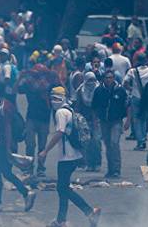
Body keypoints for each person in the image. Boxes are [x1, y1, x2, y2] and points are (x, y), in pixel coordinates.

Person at [39, 86, 101, 227]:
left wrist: (45, 151)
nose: (53, 101)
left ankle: (89, 211)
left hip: (67, 157)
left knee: (63, 189)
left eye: (56, 98)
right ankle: (61, 220)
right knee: (63, 188)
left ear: (62, 98)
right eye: (52, 98)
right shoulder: (69, 109)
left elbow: (59, 133)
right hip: (73, 155)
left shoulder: (61, 112)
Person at [0, 82, 37, 212]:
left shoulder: (3, 107)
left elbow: (7, 128)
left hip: (5, 145)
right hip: (8, 143)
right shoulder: (9, 104)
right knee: (6, 173)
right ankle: (26, 193)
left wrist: (7, 148)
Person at [17, 63, 57, 177]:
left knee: (42, 145)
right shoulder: (29, 83)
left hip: (42, 118)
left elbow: (61, 92)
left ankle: (40, 167)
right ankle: (30, 167)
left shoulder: (48, 84)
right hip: (33, 117)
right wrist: (21, 77)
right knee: (30, 144)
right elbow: (16, 90)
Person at [92, 70, 129, 178]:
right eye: (107, 78)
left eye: (111, 77)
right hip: (104, 121)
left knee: (114, 143)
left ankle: (117, 169)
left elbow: (128, 105)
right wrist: (95, 120)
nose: (109, 80)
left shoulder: (120, 90)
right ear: (104, 79)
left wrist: (128, 120)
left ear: (114, 78)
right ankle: (110, 169)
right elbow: (94, 107)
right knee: (108, 145)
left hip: (116, 121)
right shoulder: (99, 90)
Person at [72, 72, 102, 171]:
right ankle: (89, 164)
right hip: (85, 120)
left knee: (96, 142)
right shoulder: (80, 90)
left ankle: (97, 162)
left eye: (93, 80)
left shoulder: (99, 89)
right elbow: (77, 105)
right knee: (87, 142)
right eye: (89, 80)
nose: (91, 83)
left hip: (97, 120)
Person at [123, 53, 148, 151]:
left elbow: (125, 83)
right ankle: (144, 137)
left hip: (136, 96)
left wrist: (131, 89)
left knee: (136, 120)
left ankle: (140, 141)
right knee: (145, 119)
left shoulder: (132, 71)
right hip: (147, 98)